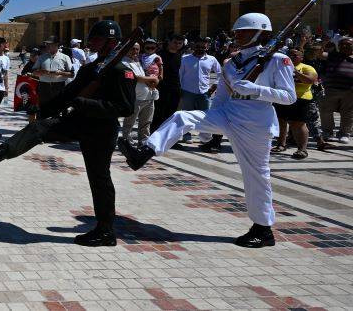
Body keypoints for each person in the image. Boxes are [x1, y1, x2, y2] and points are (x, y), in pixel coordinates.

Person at [120, 13, 296, 248]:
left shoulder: (277, 60)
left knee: (255, 176)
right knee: (183, 116)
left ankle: (263, 229)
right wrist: (211, 121)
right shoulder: (231, 62)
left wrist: (256, 90)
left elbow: (289, 97)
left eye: (244, 32)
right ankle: (144, 152)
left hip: (256, 124)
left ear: (261, 33)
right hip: (228, 113)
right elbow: (223, 95)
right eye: (237, 32)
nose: (238, 36)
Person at [0, 20, 136, 247]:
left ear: (111, 42)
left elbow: (125, 108)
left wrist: (85, 104)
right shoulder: (92, 68)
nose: (91, 43)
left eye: (97, 39)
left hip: (101, 130)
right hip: (81, 122)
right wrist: (41, 109)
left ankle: (106, 231)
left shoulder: (122, 71)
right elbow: (67, 94)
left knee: (99, 178)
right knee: (38, 128)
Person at [178, 37, 221, 149]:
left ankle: (205, 138)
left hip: (204, 92)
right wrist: (180, 90)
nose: (200, 49)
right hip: (187, 91)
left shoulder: (211, 59)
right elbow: (180, 75)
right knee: (187, 114)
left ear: (207, 48)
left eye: (203, 47)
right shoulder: (185, 59)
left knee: (205, 116)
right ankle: (187, 135)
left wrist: (214, 86)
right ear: (193, 46)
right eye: (198, 46)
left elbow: (220, 73)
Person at [273, 48, 316, 159]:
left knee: (298, 124)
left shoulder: (306, 67)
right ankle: (281, 144)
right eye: (289, 55)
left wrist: (295, 72)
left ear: (301, 57)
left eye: (295, 55)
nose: (291, 57)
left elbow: (311, 80)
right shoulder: (281, 67)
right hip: (282, 98)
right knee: (281, 122)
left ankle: (302, 149)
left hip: (301, 99)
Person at [121, 42, 160, 145]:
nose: (135, 51)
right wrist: (152, 79)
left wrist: (151, 80)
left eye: (137, 49)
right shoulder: (124, 62)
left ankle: (143, 140)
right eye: (132, 49)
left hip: (148, 96)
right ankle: (125, 140)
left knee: (146, 121)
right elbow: (135, 77)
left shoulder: (137, 61)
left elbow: (142, 76)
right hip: (136, 97)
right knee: (130, 122)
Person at [319, 36, 353, 143]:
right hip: (330, 89)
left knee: (348, 113)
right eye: (342, 44)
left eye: (348, 44)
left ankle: (344, 133)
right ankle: (328, 132)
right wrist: (323, 44)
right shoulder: (332, 55)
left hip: (350, 91)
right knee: (326, 111)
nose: (344, 46)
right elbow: (319, 54)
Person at [151, 34, 185, 132]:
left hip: (175, 88)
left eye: (180, 43)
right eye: (175, 42)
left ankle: (168, 138)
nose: (177, 45)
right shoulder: (159, 55)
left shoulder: (180, 55)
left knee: (171, 114)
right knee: (158, 114)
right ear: (169, 42)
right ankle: (154, 137)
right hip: (161, 88)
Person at [29, 37, 73, 108]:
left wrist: (60, 73)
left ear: (57, 45)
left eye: (50, 44)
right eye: (47, 44)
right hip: (44, 86)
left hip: (58, 86)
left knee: (58, 107)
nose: (48, 46)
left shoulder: (65, 57)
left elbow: (71, 74)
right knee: (43, 107)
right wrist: (41, 72)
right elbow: (34, 72)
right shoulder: (41, 57)